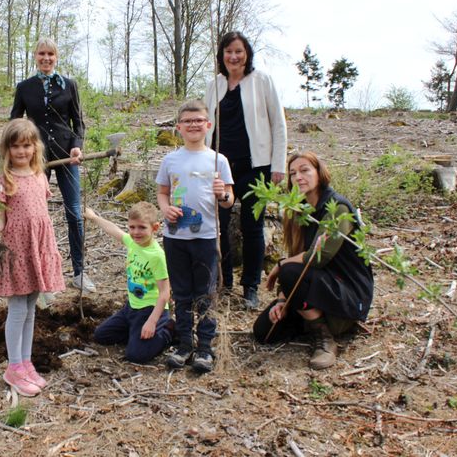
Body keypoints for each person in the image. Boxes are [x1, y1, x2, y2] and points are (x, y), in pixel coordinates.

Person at [252, 152, 374, 370]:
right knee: (263, 331)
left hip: (346, 294)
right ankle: (310, 317)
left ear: (320, 173)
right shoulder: (300, 211)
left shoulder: (337, 208)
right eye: (292, 173)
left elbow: (317, 258)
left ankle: (325, 339)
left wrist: (281, 265)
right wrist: (282, 301)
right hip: (317, 287)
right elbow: (298, 258)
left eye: (305, 170)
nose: (298, 177)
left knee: (288, 270)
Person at [0, 119, 66, 397]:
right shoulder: (3, 181)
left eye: (26, 145)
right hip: (18, 251)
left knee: (31, 307)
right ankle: (13, 366)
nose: (21, 151)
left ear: (35, 147)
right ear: (6, 149)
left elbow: (40, 214)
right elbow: (0, 220)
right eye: (15, 146)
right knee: (17, 308)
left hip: (38, 247)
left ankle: (26, 362)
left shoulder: (40, 176)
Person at [204, 31, 287, 309]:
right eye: (228, 52)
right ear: (222, 55)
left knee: (252, 227)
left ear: (247, 53)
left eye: (239, 51)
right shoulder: (214, 85)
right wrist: (204, 162)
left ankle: (250, 286)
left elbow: (278, 124)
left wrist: (278, 165)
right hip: (221, 167)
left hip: (256, 165)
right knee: (220, 224)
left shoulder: (261, 81)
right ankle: (224, 281)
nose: (234, 57)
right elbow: (206, 124)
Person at [10, 38, 96, 293]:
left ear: (56, 57)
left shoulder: (69, 85)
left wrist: (77, 145)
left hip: (67, 157)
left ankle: (79, 272)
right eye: (41, 54)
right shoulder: (25, 87)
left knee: (74, 214)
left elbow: (78, 122)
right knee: (35, 216)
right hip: (36, 161)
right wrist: (17, 155)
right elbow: (14, 122)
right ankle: (36, 274)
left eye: (50, 54)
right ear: (35, 56)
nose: (46, 58)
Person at [156, 100, 235, 373]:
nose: (193, 125)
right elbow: (162, 192)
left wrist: (221, 194)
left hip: (206, 236)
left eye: (198, 120)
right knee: (181, 292)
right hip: (175, 236)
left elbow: (228, 200)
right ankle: (184, 344)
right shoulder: (170, 159)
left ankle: (205, 347)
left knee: (205, 293)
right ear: (178, 127)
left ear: (208, 125)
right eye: (187, 121)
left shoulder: (218, 160)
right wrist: (165, 209)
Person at [83, 202, 172, 364]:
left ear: (155, 227)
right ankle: (136, 335)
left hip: (150, 310)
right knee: (101, 336)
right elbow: (114, 230)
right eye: (132, 227)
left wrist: (152, 322)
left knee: (136, 356)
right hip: (131, 308)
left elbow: (165, 293)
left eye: (142, 228)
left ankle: (167, 331)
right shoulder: (132, 243)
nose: (136, 232)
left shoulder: (157, 256)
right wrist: (94, 217)